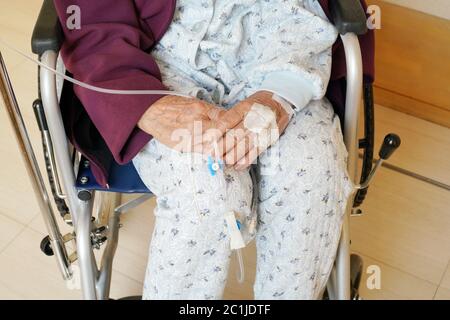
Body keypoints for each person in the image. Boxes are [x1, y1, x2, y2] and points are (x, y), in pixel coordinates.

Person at [54, 0, 353, 299]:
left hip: (284, 46)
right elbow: (91, 23)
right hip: (162, 60)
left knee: (311, 174)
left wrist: (281, 92)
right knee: (205, 195)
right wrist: (145, 105)